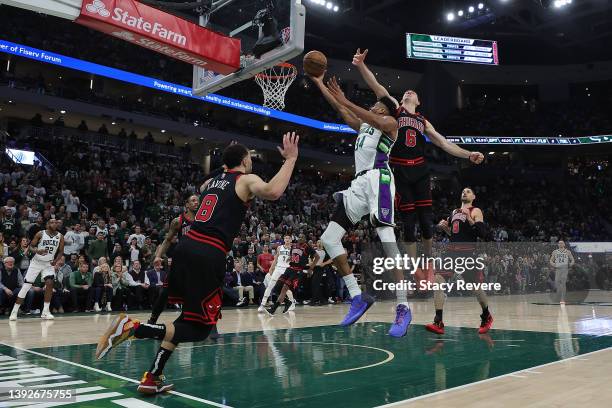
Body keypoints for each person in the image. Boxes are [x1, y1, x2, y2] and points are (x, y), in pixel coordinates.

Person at [95, 132, 300, 394]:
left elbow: (208, 184)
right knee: (200, 329)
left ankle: (152, 376)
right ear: (245, 160)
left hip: (186, 248)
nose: (251, 162)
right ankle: (135, 328)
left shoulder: (211, 183)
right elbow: (273, 191)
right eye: (249, 158)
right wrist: (291, 159)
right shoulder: (245, 179)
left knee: (185, 319)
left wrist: (225, 163)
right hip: (208, 252)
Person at [351, 49, 484, 276]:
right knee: (409, 223)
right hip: (399, 169)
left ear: (418, 101)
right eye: (406, 92)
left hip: (420, 169)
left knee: (426, 221)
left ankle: (428, 264)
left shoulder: (423, 121)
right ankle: (415, 271)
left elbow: (444, 143)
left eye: (412, 92)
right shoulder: (396, 108)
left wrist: (467, 154)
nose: (408, 91)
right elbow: (377, 87)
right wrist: (361, 65)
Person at [310, 73, 411, 337]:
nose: (372, 105)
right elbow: (340, 108)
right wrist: (320, 83)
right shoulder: (364, 126)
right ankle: (358, 297)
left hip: (380, 179)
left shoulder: (390, 123)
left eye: (377, 103)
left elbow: (374, 117)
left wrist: (346, 99)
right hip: (358, 184)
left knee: (386, 239)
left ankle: (403, 305)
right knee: (330, 239)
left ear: (383, 107)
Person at [428, 188, 493, 335]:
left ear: (473, 196)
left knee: (476, 288)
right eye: (463, 191)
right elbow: (454, 235)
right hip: (452, 251)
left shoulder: (475, 211)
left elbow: (482, 234)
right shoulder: (454, 212)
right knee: (438, 279)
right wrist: (444, 228)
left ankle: (486, 315)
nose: (465, 192)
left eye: (468, 191)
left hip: (468, 252)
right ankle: (438, 321)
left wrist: (470, 219)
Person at [147, 194, 199, 324]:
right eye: (193, 200)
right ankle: (152, 320)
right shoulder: (178, 221)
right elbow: (167, 240)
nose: (196, 202)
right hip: (181, 260)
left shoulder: (204, 220)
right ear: (187, 205)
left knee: (198, 292)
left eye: (198, 200)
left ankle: (201, 323)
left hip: (197, 261)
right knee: (165, 292)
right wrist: (158, 256)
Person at [10, 219, 64, 320]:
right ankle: (14, 311)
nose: (54, 224)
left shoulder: (60, 236)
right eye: (52, 222)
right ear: (47, 224)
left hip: (48, 263)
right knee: (26, 286)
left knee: (49, 283)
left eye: (56, 222)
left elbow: (61, 251)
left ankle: (45, 311)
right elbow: (30, 247)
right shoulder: (40, 233)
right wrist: (37, 251)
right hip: (36, 262)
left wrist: (56, 260)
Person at [265, 234, 319, 315]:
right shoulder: (294, 246)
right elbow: (292, 255)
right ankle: (288, 302)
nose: (300, 238)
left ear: (305, 238)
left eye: (302, 237)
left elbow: (317, 257)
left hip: (298, 271)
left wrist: (311, 268)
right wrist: (290, 258)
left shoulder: (307, 247)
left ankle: (273, 309)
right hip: (290, 268)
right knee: (277, 288)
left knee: (285, 288)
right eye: (299, 237)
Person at [258, 235, 294, 312]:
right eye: (286, 238)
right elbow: (275, 259)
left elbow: (294, 261)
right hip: (278, 268)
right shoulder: (279, 247)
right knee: (270, 286)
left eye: (288, 238)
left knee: (285, 288)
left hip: (286, 269)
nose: (287, 239)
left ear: (291, 240)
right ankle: (262, 304)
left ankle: (292, 302)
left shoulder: (293, 249)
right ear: (284, 239)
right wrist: (271, 268)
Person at [549, 240, 575, 305]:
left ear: (564, 244)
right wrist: (554, 264)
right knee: (557, 282)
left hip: (564, 269)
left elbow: (572, 260)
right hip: (558, 269)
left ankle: (562, 299)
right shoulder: (555, 252)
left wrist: (570, 264)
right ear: (558, 244)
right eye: (559, 243)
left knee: (563, 283)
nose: (560, 244)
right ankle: (559, 295)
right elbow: (551, 260)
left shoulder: (568, 252)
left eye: (561, 243)